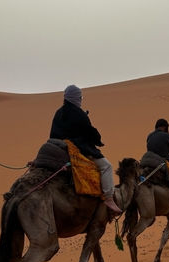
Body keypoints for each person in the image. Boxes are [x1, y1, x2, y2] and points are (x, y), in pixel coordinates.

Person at [50, 85, 122, 214]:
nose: (81, 100)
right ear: (76, 98)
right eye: (80, 97)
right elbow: (89, 133)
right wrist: (98, 141)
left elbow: (53, 134)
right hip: (77, 149)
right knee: (106, 166)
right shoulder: (79, 113)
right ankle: (109, 197)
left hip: (57, 148)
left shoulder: (58, 113)